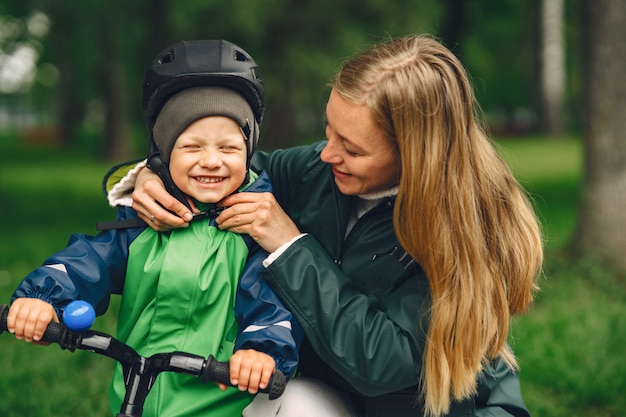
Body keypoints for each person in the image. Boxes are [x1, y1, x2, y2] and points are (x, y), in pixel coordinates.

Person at [101, 34, 543, 417]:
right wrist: (149, 174)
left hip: (434, 409)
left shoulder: (468, 231)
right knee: (271, 401)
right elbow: (224, 165)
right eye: (328, 130)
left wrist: (289, 246)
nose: (327, 153)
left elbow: (380, 363)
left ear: (415, 155)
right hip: (325, 397)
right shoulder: (317, 170)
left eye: (351, 148)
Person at [7, 39, 301, 417]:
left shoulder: (251, 232)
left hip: (221, 404)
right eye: (192, 147)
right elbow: (88, 260)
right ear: (162, 150)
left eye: (228, 149)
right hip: (136, 397)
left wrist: (261, 352)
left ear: (248, 151)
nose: (211, 161)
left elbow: (272, 305)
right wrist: (43, 297)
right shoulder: (143, 220)